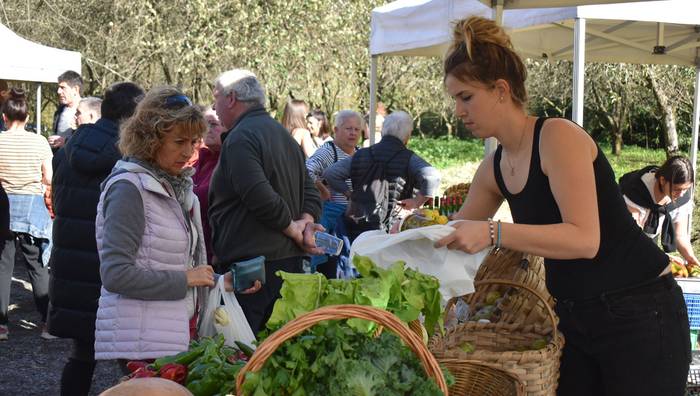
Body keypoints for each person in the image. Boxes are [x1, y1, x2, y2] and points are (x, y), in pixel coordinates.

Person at [433, 16, 689, 395]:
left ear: (501, 90)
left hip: (641, 312)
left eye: (465, 96)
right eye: (454, 99)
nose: (458, 111)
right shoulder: (493, 168)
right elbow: (454, 234)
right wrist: (407, 239)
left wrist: (492, 232)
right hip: (574, 318)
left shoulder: (557, 137)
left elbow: (585, 240)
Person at [93, 86, 245, 365]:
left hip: (170, 333)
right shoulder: (129, 188)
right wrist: (187, 278)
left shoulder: (175, 186)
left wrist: (220, 283)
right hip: (141, 343)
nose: (188, 151)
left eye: (192, 141)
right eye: (178, 142)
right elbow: (116, 275)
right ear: (150, 139)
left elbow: (173, 263)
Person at [47, 82, 144, 396]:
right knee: (131, 358)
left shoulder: (68, 150)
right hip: (110, 268)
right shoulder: (127, 158)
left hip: (73, 266)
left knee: (83, 354)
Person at [209, 69, 323, 333]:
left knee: (243, 352)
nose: (214, 108)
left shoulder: (241, 137)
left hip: (253, 269)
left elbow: (258, 194)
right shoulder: (281, 133)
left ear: (231, 98)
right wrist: (306, 223)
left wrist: (297, 229)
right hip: (285, 264)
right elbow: (310, 190)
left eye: (216, 98)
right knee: (274, 349)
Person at [324, 110, 441, 243]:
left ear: (382, 132)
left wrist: (350, 194)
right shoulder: (409, 158)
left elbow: (330, 173)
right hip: (394, 230)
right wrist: (417, 202)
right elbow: (432, 176)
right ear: (407, 136)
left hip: (359, 227)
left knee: (360, 260)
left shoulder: (361, 155)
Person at [0, 88, 54, 341]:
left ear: (4, 116)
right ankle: (47, 324)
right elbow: (49, 177)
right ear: (28, 115)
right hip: (33, 209)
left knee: (3, 266)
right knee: (37, 267)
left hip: (4, 207)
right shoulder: (39, 141)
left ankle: (1, 326)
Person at [305, 110, 362, 278]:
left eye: (356, 129)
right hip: (330, 220)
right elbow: (307, 171)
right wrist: (322, 189)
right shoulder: (329, 151)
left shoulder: (360, 153)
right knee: (329, 266)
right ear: (336, 130)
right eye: (348, 128)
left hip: (352, 221)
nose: (353, 133)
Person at [620, 155, 699, 267]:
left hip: (647, 246)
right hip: (622, 246)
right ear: (662, 180)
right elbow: (634, 238)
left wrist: (691, 258)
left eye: (686, 189)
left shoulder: (681, 197)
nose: (681, 194)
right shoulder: (635, 192)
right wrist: (663, 257)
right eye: (677, 189)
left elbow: (680, 235)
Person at [192, 106, 226, 264]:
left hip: (216, 254)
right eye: (205, 124)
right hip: (195, 249)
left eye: (213, 124)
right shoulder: (200, 160)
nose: (207, 129)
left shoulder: (228, 163)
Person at [49, 70, 83, 150]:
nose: (58, 91)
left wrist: (65, 141)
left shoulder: (87, 111)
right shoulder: (59, 111)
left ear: (75, 89)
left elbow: (87, 140)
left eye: (63, 88)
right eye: (58, 87)